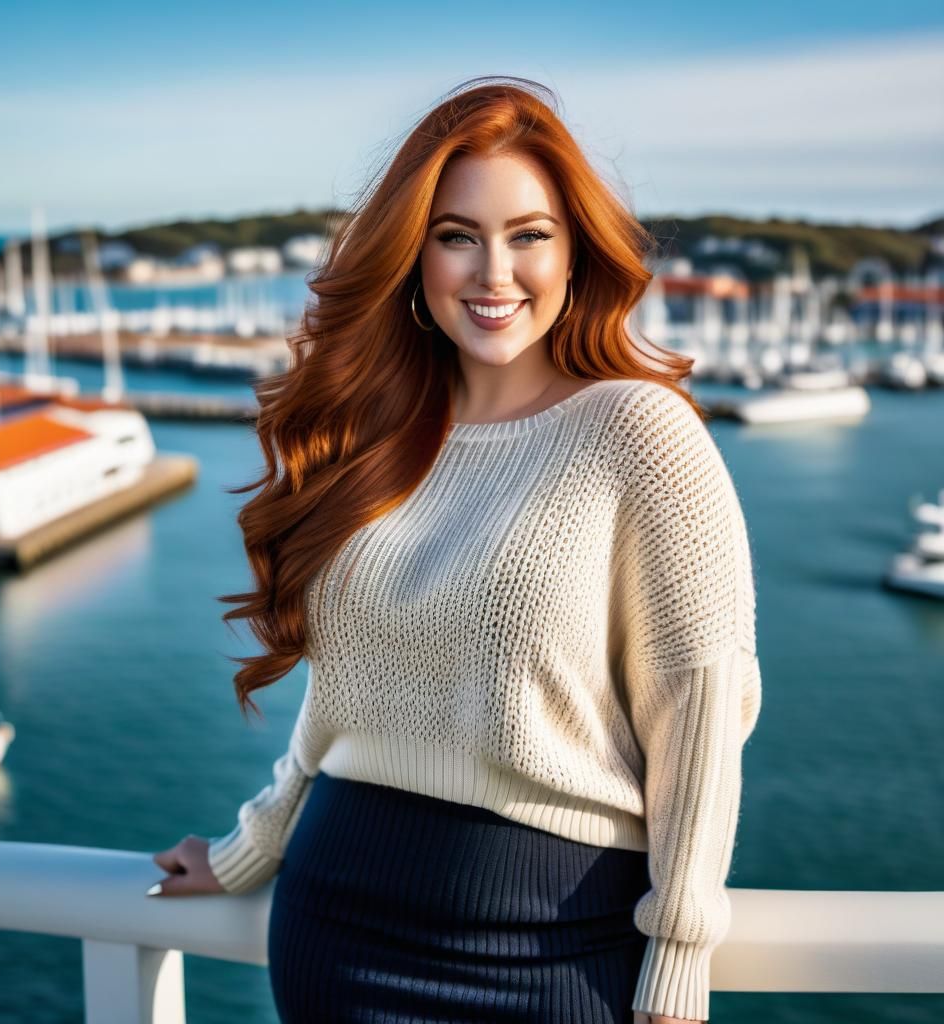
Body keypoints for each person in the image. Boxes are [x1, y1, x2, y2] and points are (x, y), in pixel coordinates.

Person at [149, 75, 762, 1024]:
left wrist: (679, 961)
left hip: (556, 946)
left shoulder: (640, 434)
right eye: (456, 236)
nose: (493, 274)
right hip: (334, 926)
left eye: (529, 235)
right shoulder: (378, 438)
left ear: (575, 254)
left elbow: (700, 707)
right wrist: (245, 850)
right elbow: (348, 694)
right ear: (414, 257)